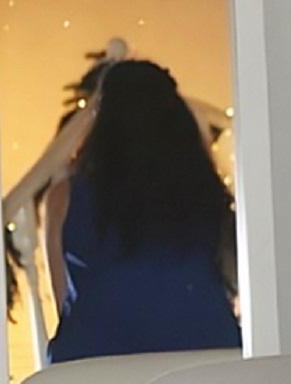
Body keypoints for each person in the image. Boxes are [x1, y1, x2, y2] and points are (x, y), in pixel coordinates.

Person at [43, 58, 241, 364]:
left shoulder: (65, 198)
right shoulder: (206, 194)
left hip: (96, 363)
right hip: (204, 356)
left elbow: (65, 303)